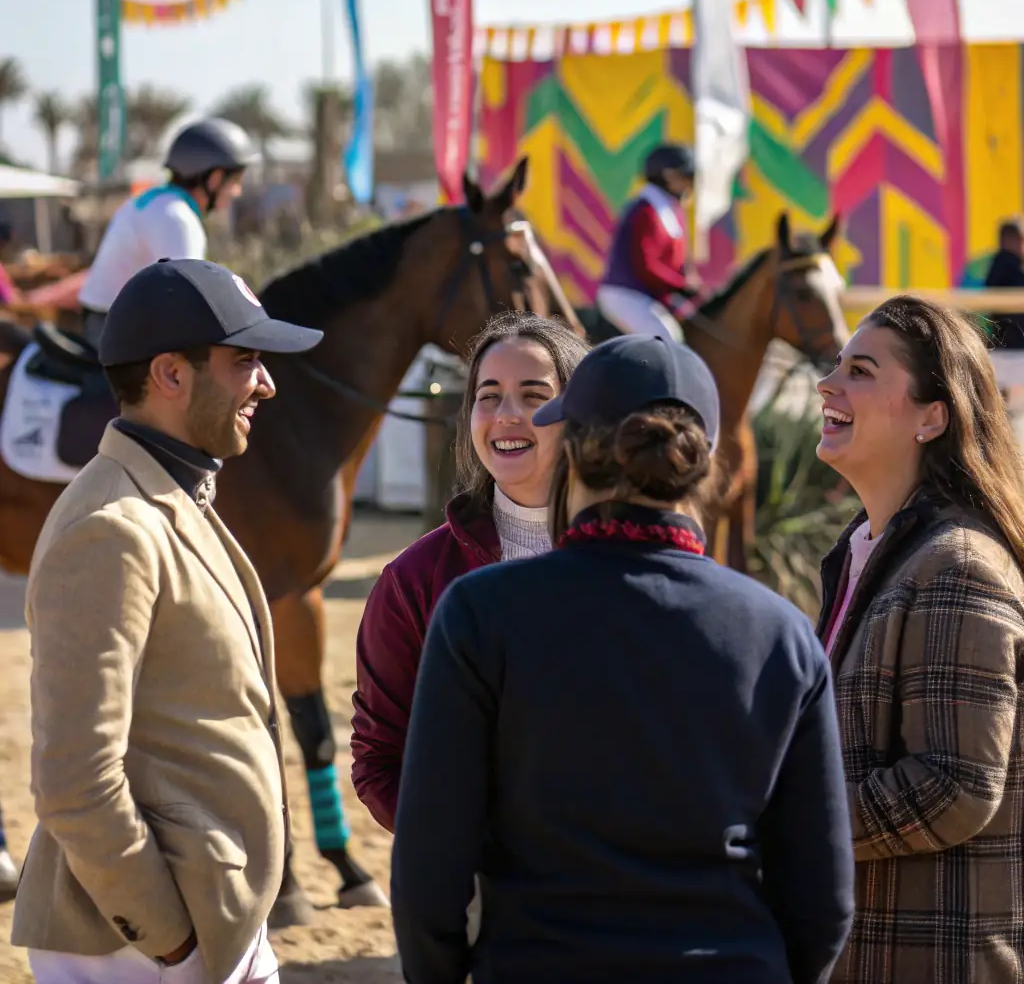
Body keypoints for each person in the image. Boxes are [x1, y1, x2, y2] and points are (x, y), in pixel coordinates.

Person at [391, 334, 855, 984]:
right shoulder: (781, 633)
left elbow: (427, 875)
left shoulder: (481, 612)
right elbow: (824, 902)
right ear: (707, 459)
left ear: (573, 452)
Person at [12, 257, 323, 984]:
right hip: (142, 944)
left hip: (207, 921)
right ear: (171, 375)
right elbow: (74, 781)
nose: (266, 383)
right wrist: (174, 944)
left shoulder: (171, 494)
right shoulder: (111, 526)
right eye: (245, 360)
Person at [816, 295, 1024, 983]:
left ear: (932, 416)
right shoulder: (864, 554)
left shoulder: (958, 566)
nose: (828, 384)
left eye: (862, 371)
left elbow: (956, 785)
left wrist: (794, 820)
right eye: (837, 366)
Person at [351, 311, 589, 834]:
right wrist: (476, 847)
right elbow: (380, 762)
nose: (506, 414)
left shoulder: (634, 562)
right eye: (488, 395)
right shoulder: (414, 580)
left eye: (534, 395)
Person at [78, 117, 258, 348]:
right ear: (214, 179)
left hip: (104, 322)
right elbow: (185, 305)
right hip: (118, 332)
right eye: (235, 181)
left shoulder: (154, 202)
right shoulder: (178, 219)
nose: (237, 192)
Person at [597, 142, 699, 343]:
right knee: (669, 340)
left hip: (647, 297)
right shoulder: (646, 211)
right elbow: (646, 266)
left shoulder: (667, 209)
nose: (691, 184)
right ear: (669, 176)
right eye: (688, 177)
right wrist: (681, 285)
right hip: (626, 295)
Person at [984, 218, 1024, 397]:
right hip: (1012, 343)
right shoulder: (1009, 265)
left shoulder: (999, 265)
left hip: (1004, 342)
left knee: (1001, 397)